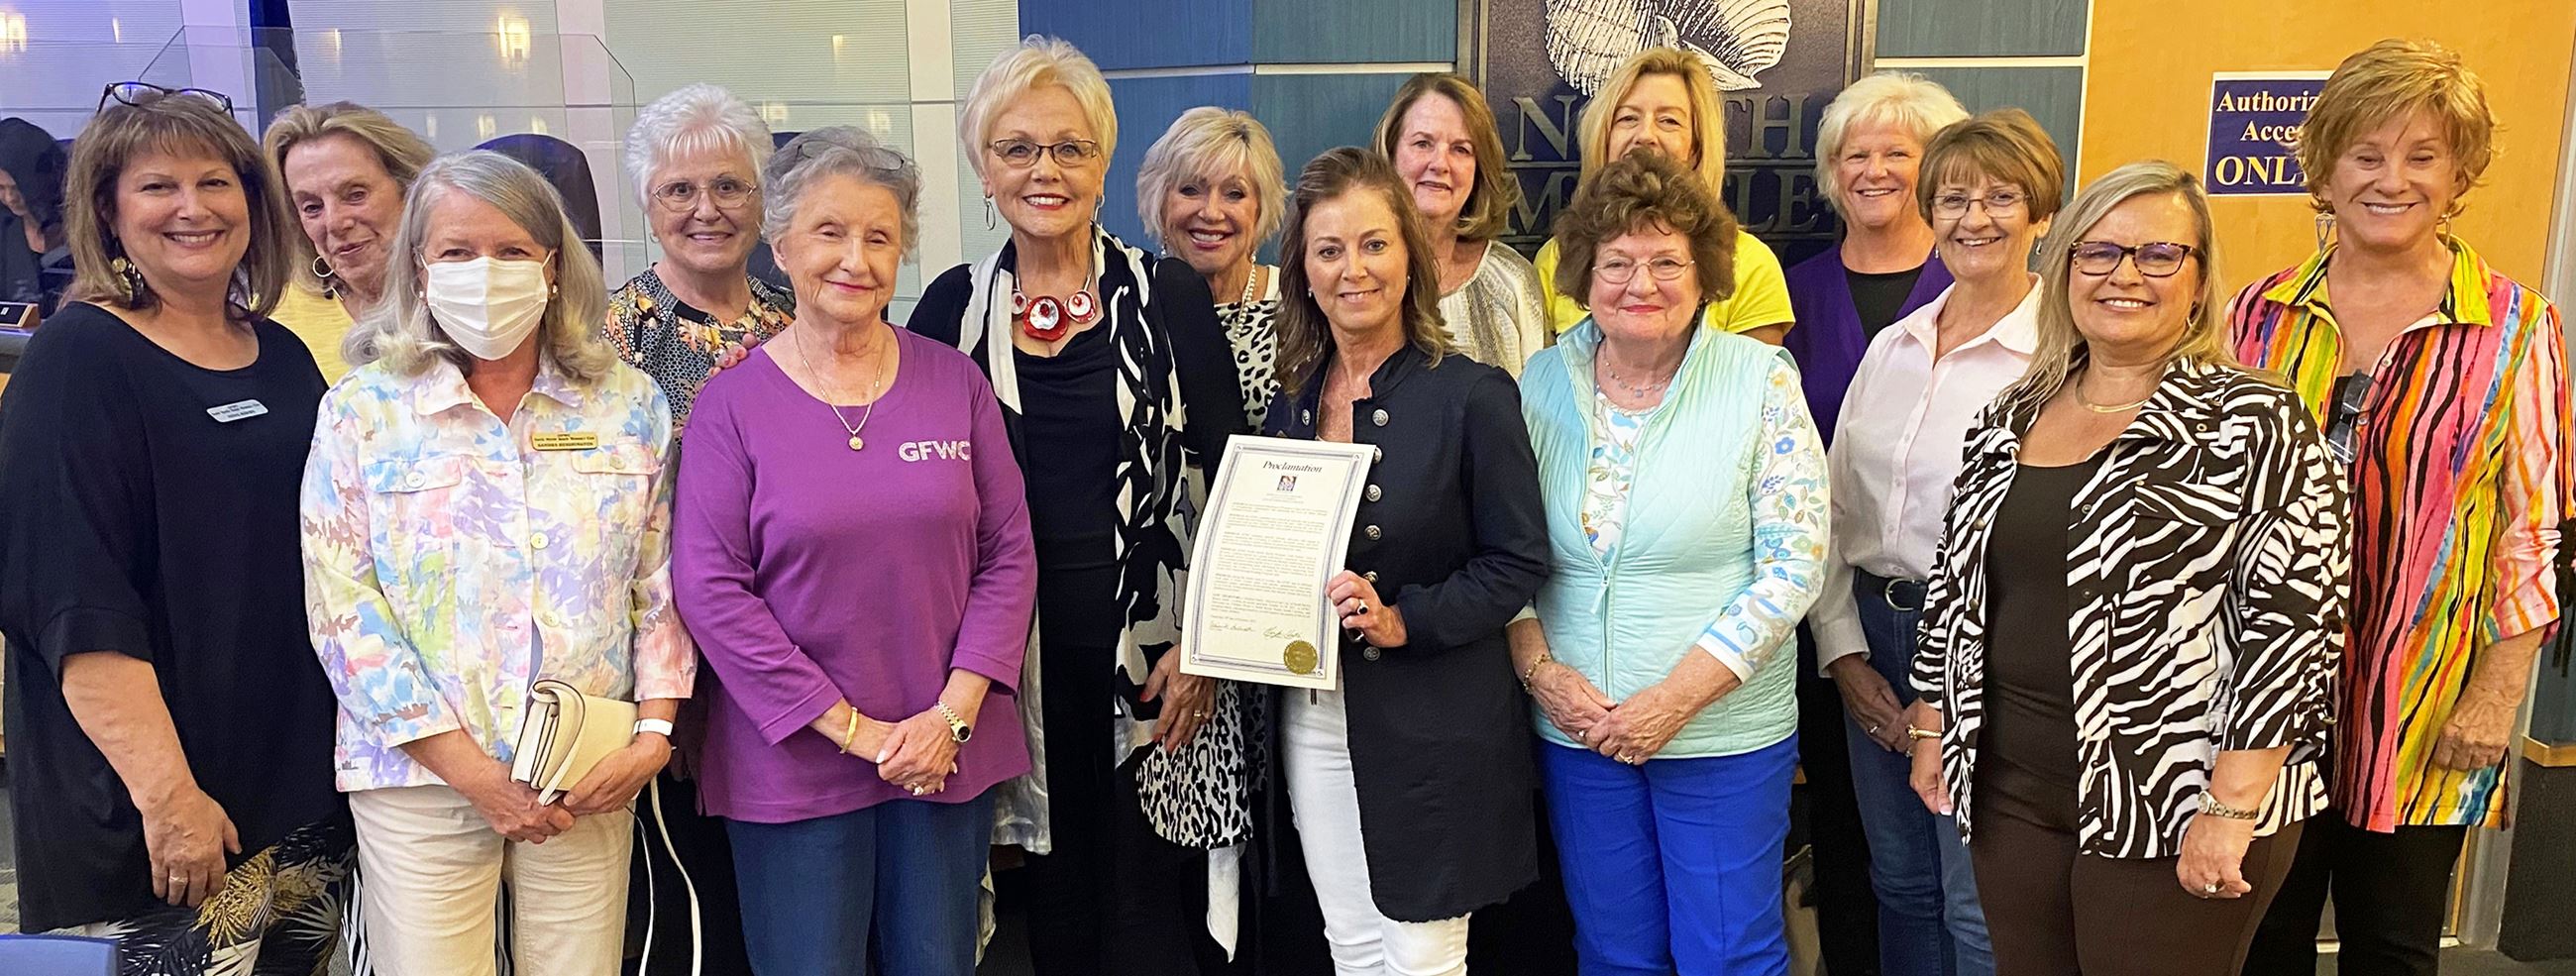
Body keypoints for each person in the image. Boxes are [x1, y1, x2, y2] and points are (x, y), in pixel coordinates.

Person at [1906, 161, 2347, 975]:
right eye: (2099, 252)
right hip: (2013, 792)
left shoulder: (2255, 417)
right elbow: (1956, 587)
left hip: (2177, 797)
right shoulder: (2011, 413)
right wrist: (1932, 720)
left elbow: (2295, 627)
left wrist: (2231, 804)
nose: (2124, 275)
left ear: (2201, 280)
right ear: (2066, 265)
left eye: (2158, 255)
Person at [300, 150, 692, 976]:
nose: (486, 273)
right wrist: (477, 777)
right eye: (457, 252)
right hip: (420, 777)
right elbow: (345, 612)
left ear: (554, 265)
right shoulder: (363, 412)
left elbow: (661, 582)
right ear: (419, 267)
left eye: (512, 251)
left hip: (586, 768)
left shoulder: (626, 404)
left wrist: (654, 732)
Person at [909, 35, 1250, 976]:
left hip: (1154, 655)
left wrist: (1207, 642)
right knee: (1048, 908)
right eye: (1018, 148)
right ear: (985, 166)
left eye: (1068, 147)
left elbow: (1230, 482)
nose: (1044, 170)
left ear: (1103, 162)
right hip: (1005, 656)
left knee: (1147, 912)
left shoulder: (1166, 292)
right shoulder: (950, 309)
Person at [2233, 40, 2571, 976]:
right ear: (2325, 169)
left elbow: (2532, 528)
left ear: (2459, 174)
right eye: (2367, 154)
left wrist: (2498, 695)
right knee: (2262, 940)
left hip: (2425, 699)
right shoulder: (2260, 313)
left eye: (2423, 155)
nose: (2393, 179)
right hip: (2267, 696)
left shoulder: (2516, 326)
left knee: (2392, 944)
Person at [672, 126, 1035, 976]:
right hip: (794, 762)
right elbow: (713, 589)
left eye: (879, 237)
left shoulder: (956, 383)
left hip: (943, 751)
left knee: (938, 963)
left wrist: (950, 713)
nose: (855, 258)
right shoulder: (733, 407)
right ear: (783, 242)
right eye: (830, 232)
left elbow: (1008, 552)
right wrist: (858, 731)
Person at [0, 82, 347, 974]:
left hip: (297, 785)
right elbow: (75, 605)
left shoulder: (281, 352)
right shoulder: (78, 361)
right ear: (109, 213)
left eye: (215, 182)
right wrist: (169, 796)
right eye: (158, 187)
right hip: (163, 812)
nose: (193, 208)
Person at [1509, 150, 1825, 976]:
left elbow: (1793, 565)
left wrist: (1671, 701)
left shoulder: (1760, 380)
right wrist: (1542, 674)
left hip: (1720, 732)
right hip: (1580, 731)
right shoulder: (1541, 381)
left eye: (1665, 261)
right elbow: (1502, 548)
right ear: (1584, 272)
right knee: (1614, 954)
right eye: (1616, 261)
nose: (1639, 281)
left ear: (1706, 273)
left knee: (1730, 955)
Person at [1264, 145, 1551, 976]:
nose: (1353, 269)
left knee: (1423, 956)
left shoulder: (1473, 392)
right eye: (1329, 250)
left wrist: (1406, 619)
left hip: (1437, 720)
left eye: (1373, 244)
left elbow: (1517, 559)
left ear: (1410, 256)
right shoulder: (1290, 399)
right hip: (1314, 713)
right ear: (1304, 270)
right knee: (1350, 947)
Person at [1813, 107, 2063, 976]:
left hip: (1992, 651)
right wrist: (1845, 657)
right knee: (1901, 885)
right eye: (1954, 198)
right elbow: (1833, 514)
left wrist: (1948, 683)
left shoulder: (2060, 361)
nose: (1975, 218)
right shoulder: (1894, 347)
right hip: (1876, 636)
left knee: (1975, 900)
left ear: (2042, 212)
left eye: (2002, 197)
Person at [1774, 71, 1969, 976]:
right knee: (1854, 847)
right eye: (1857, 152)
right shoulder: (1791, 290)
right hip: (1818, 602)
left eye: (1902, 151)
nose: (1877, 168)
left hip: (1963, 614)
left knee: (1958, 869)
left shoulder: (1983, 290)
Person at [1533, 48, 1794, 345]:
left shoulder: (1752, 264)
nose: (1645, 135)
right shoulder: (1556, 257)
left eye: (1669, 121)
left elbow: (1757, 385)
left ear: (1695, 147)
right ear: (1604, 138)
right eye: (1628, 118)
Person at [608, 82, 794, 432]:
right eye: (680, 190)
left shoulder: (795, 316)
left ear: (762, 200)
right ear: (648, 206)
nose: (707, 211)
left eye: (728, 187)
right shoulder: (611, 339)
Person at [1373, 72, 1547, 373]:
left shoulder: (1512, 280)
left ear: (1479, 169)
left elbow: (1535, 411)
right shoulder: (1357, 275)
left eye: (1460, 149)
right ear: (1390, 153)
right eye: (1423, 143)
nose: (1440, 164)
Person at [263, 102, 436, 382]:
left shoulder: (459, 291)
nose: (334, 222)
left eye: (355, 195)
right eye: (311, 207)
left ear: (410, 189)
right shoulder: (270, 318)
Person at [1138, 106, 1288, 427]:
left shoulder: (1297, 306)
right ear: (1160, 200)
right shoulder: (1129, 306)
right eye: (1191, 189)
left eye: (1234, 194)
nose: (1211, 212)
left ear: (1259, 209)